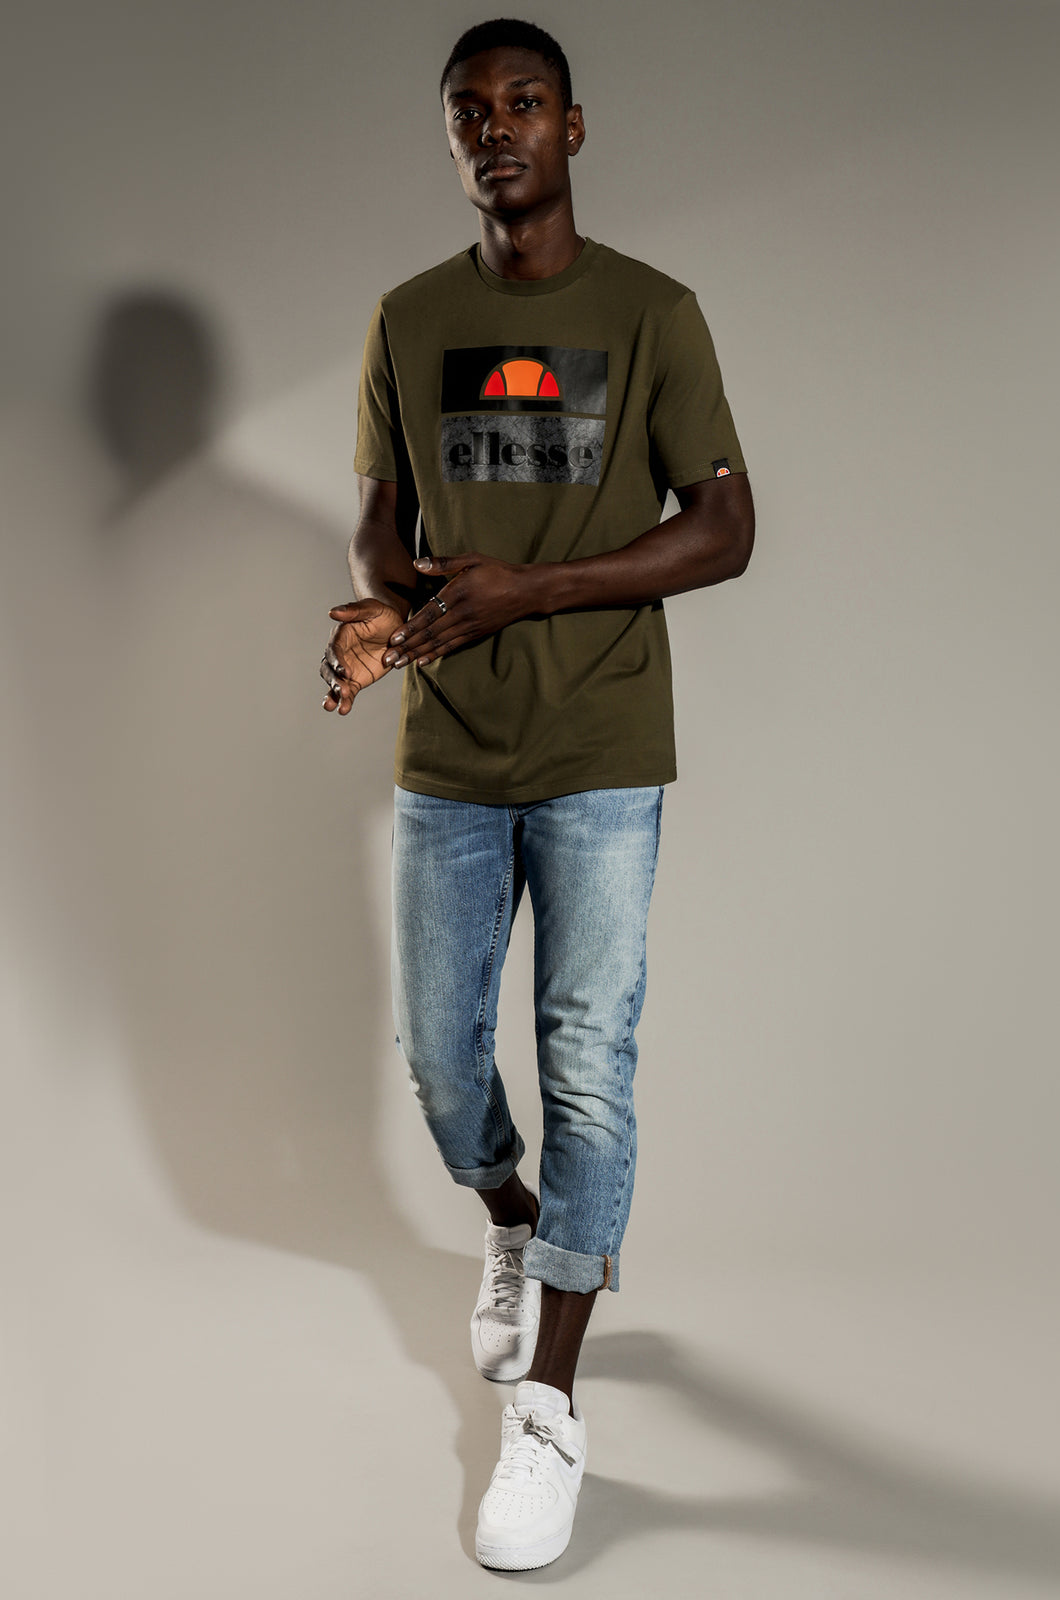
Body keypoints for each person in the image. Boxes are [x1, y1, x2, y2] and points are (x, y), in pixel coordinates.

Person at [319, 16, 753, 1572]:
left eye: (524, 103)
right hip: (450, 748)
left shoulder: (653, 312)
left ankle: (550, 1407)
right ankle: (514, 1223)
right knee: (443, 1064)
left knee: (589, 1063)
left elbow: (726, 528)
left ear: (575, 126)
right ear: (451, 139)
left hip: (602, 750)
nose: (496, 128)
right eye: (469, 111)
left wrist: (533, 590)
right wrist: (400, 607)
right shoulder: (408, 318)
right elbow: (379, 525)